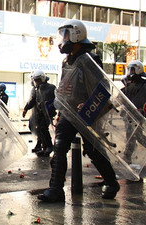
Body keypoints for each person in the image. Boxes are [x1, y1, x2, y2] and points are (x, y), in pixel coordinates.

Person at [38, 19, 120, 202]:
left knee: (93, 150)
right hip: (69, 113)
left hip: (86, 113)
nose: (63, 39)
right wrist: (59, 109)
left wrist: (90, 105)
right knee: (59, 146)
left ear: (76, 35)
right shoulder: (67, 61)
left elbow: (102, 88)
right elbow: (65, 86)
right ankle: (56, 189)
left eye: (66, 35)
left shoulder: (89, 59)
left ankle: (111, 182)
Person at [22, 70, 56, 157]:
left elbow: (57, 100)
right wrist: (26, 108)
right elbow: (33, 100)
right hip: (40, 112)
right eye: (35, 80)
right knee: (40, 129)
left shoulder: (51, 88)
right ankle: (44, 147)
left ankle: (49, 146)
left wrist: (53, 107)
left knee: (43, 128)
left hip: (48, 112)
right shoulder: (37, 89)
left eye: (37, 80)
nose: (36, 82)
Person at [120, 60, 146, 164]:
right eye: (130, 69)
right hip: (128, 114)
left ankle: (127, 156)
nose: (131, 72)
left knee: (133, 135)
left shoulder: (143, 85)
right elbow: (122, 97)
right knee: (134, 135)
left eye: (133, 69)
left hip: (137, 114)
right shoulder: (128, 84)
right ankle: (127, 156)